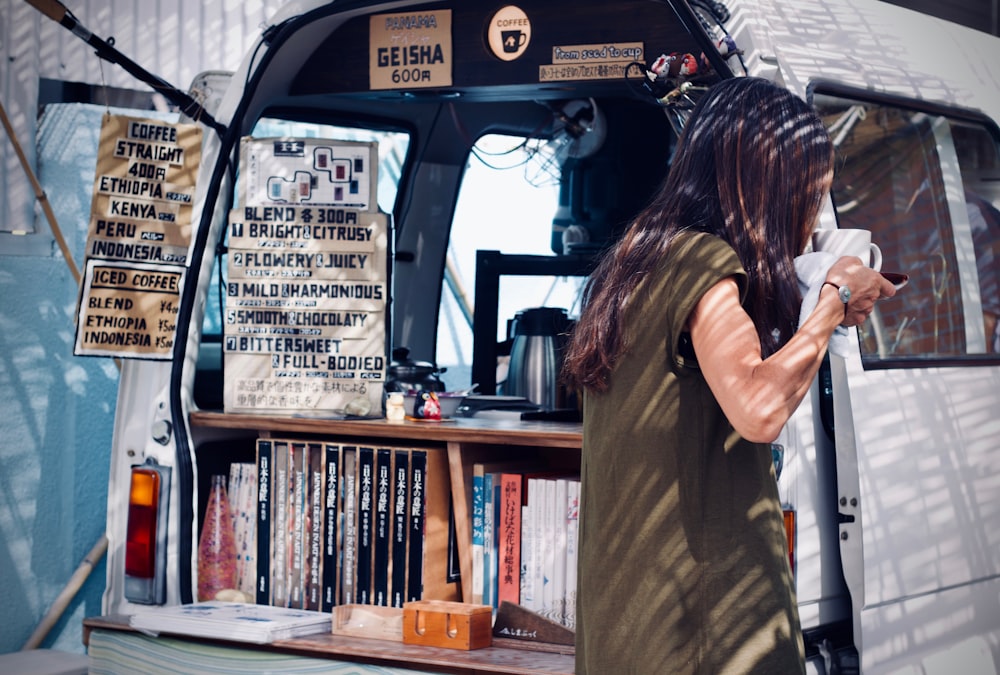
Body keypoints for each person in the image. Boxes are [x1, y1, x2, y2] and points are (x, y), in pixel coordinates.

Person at [562, 76, 895, 674]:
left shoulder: (636, 258)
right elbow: (759, 409)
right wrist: (834, 298)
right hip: (708, 630)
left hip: (629, 630)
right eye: (808, 193)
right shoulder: (705, 261)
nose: (809, 213)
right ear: (771, 184)